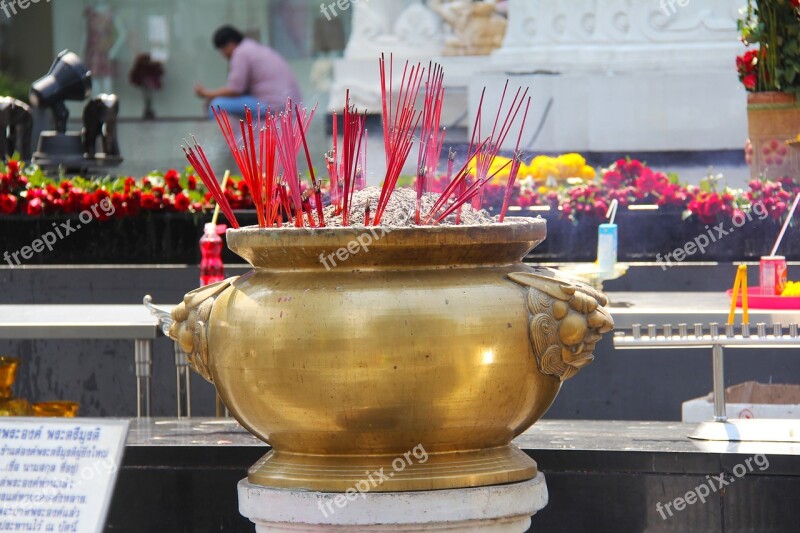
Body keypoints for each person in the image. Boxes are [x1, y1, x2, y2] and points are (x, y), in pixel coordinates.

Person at [194, 26, 302, 119]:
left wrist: (206, 93)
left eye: (222, 49)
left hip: (273, 105)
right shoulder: (252, 47)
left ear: (230, 43)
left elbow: (235, 89)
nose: (223, 54)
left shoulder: (241, 53)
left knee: (217, 105)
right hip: (288, 104)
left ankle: (223, 140)